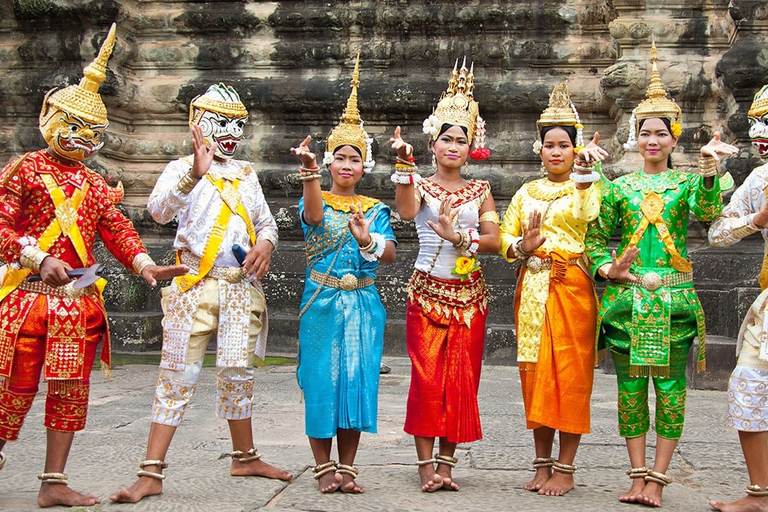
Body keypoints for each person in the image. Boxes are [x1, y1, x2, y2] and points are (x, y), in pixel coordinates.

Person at [0, 23, 187, 508]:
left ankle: (53, 482)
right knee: (10, 389)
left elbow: (118, 231)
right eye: (74, 128)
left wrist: (146, 265)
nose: (82, 139)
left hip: (76, 304)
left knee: (69, 393)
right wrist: (37, 258)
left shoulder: (99, 186)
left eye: (91, 133)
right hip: (24, 300)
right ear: (51, 118)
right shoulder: (24, 169)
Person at [110, 83, 291, 504]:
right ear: (199, 124)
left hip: (238, 288)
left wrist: (266, 244)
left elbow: (267, 223)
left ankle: (244, 456)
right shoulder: (180, 168)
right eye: (221, 122)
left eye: (238, 124)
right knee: (178, 373)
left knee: (237, 373)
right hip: (194, 285)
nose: (231, 132)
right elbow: (157, 211)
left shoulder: (246, 174)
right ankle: (151, 471)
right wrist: (195, 173)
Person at [584, 42, 737, 508]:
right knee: (630, 390)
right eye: (645, 132)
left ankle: (658, 478)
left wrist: (710, 171)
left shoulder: (688, 182)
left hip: (672, 300)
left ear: (675, 137)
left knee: (671, 390)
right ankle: (635, 476)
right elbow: (594, 238)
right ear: (635, 136)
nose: (653, 140)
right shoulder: (618, 186)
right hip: (629, 300)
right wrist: (610, 268)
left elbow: (710, 214)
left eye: (662, 133)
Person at [390, 59, 500, 492]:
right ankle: (424, 467)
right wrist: (403, 165)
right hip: (427, 292)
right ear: (433, 142)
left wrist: (463, 239)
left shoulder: (481, 189)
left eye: (462, 139)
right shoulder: (418, 183)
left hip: (470, 294)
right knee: (427, 378)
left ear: (472, 144)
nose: (454, 146)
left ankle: (447, 465)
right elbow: (405, 211)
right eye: (447, 139)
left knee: (462, 381)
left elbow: (493, 239)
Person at [290, 55, 396, 494]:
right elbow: (313, 215)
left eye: (355, 158)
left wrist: (367, 240)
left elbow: (389, 254)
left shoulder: (374, 209)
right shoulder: (314, 194)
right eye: (340, 158)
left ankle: (347, 468)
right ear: (330, 163)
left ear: (365, 164)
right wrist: (309, 171)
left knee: (356, 381)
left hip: (364, 304)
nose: (347, 165)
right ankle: (321, 468)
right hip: (322, 302)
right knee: (320, 381)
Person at [499, 81, 608, 496]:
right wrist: (519, 247)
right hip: (531, 287)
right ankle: (542, 463)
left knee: (569, 373)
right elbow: (507, 236)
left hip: (571, 286)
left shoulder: (587, 183)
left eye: (565, 145)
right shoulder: (527, 191)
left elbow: (586, 214)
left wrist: (583, 177)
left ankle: (566, 467)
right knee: (534, 374)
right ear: (539, 149)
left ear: (575, 149)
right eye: (550, 145)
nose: (557, 152)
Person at [708, 84, 768, 512]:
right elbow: (717, 233)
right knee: (748, 388)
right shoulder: (762, 179)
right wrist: (756, 219)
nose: (761, 132)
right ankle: (759, 494)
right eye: (756, 123)